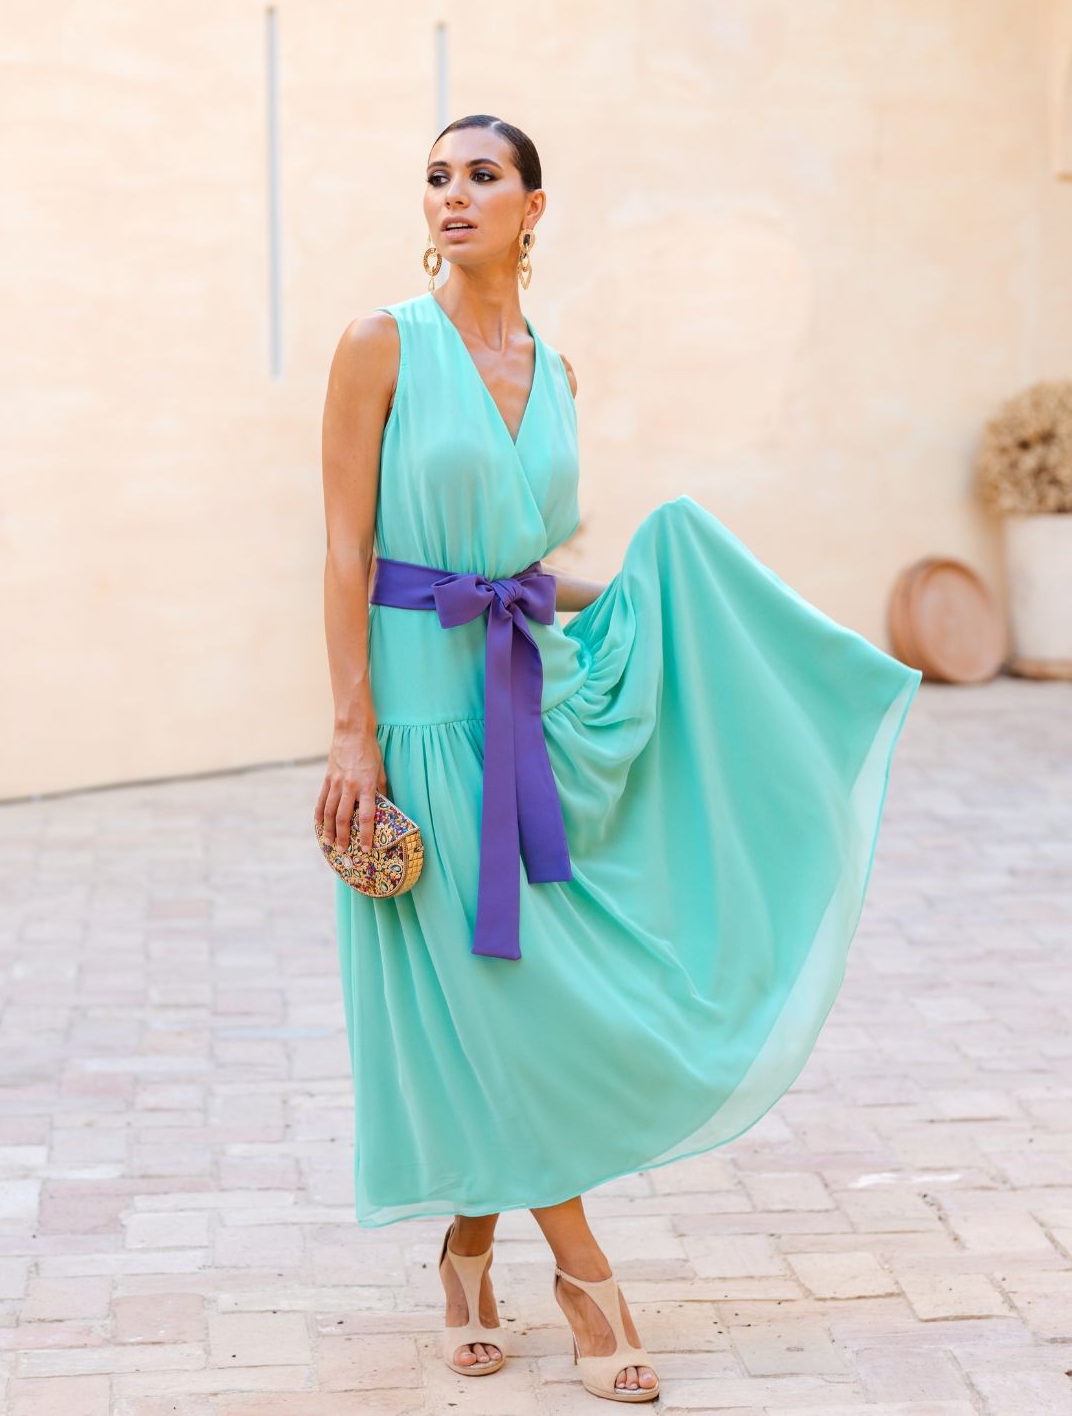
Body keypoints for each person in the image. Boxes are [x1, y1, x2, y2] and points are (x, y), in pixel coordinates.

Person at [316, 113, 922, 1405]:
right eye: (437, 177)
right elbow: (344, 547)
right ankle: (587, 1275)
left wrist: (654, 589)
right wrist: (352, 730)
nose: (453, 195)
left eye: (483, 176)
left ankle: (467, 1251)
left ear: (533, 207)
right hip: (420, 719)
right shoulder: (380, 345)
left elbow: (526, 568)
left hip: (523, 696)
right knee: (497, 989)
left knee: (507, 984)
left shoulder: (557, 369)